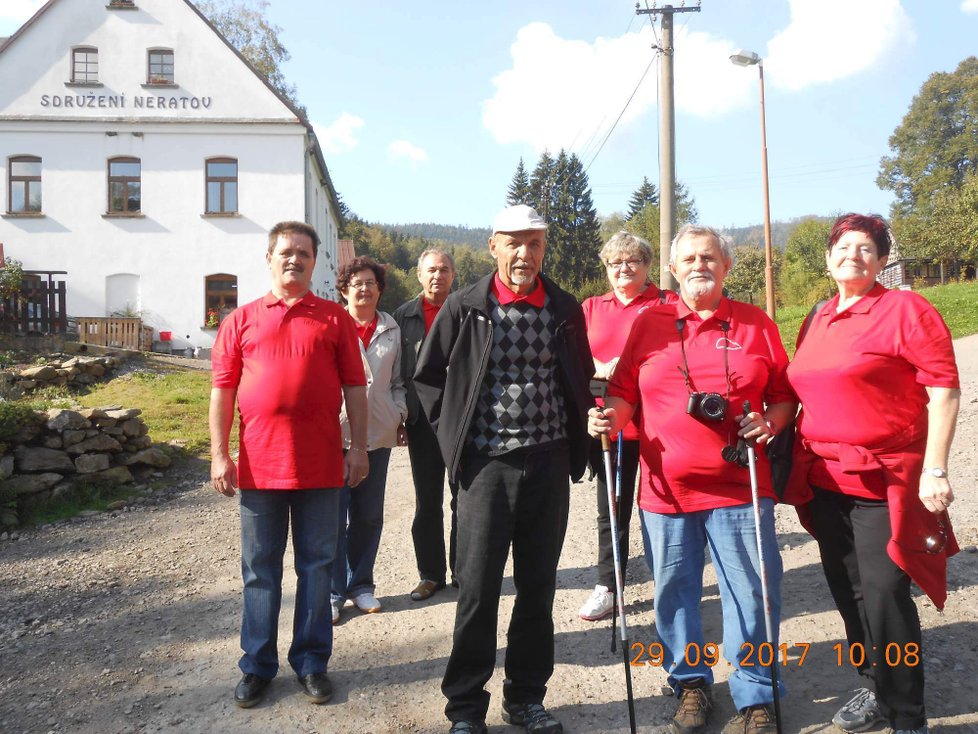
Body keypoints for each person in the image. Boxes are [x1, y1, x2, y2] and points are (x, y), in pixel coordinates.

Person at [589, 224, 796, 734]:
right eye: (689, 259)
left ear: (726, 266)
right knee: (674, 593)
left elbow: (785, 396)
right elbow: (622, 394)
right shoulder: (650, 322)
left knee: (751, 590)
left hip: (741, 487)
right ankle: (690, 683)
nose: (699, 265)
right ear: (674, 270)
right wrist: (607, 417)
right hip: (667, 491)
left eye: (709, 257)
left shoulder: (755, 324)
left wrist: (769, 422)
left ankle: (755, 691)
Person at [414, 204, 594, 734]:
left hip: (548, 463)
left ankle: (525, 699)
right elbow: (427, 379)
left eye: (534, 242)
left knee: (537, 589)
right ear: (493, 245)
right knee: (477, 592)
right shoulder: (467, 305)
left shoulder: (563, 307)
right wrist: (455, 443)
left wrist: (586, 425)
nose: (525, 253)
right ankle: (466, 709)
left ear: (544, 248)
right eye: (514, 242)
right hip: (485, 468)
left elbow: (580, 375)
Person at [784, 213, 960, 734]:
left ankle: (907, 715)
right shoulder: (817, 315)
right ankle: (875, 685)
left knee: (884, 593)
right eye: (843, 246)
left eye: (866, 248)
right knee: (848, 591)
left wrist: (935, 467)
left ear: (882, 261)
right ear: (828, 257)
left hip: (887, 481)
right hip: (825, 481)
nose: (852, 255)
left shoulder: (906, 309)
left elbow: (944, 390)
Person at [209, 221, 368, 708]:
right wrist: (219, 453)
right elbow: (222, 391)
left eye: (303, 252)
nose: (294, 259)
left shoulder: (334, 319)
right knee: (260, 571)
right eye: (285, 252)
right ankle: (257, 666)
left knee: (318, 569)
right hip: (260, 469)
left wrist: (359, 447)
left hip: (321, 468)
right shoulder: (241, 320)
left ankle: (311, 663)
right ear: (269, 258)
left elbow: (355, 390)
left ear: (315, 261)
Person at [578, 231, 676, 621]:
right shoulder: (590, 308)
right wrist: (595, 371)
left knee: (664, 507)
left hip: (658, 425)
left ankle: (669, 581)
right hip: (611, 425)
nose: (623, 268)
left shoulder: (666, 304)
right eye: (615, 262)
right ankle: (609, 584)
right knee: (612, 509)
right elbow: (574, 357)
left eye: (632, 261)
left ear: (648, 266)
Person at [331, 256, 408, 621]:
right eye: (357, 283)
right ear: (344, 289)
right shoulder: (331, 324)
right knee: (332, 515)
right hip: (334, 434)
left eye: (371, 283)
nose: (364, 289)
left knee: (368, 515)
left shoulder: (392, 330)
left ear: (380, 289)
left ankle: (361, 585)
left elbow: (398, 382)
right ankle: (333, 591)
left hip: (377, 432)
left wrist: (399, 413)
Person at [392, 249, 459, 602]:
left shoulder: (468, 310)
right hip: (422, 423)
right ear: (419, 275)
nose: (438, 276)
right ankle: (431, 575)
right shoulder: (404, 316)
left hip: (464, 421)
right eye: (431, 270)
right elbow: (397, 373)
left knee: (464, 499)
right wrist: (401, 417)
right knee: (427, 501)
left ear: (454, 274)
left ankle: (464, 573)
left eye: (445, 270)